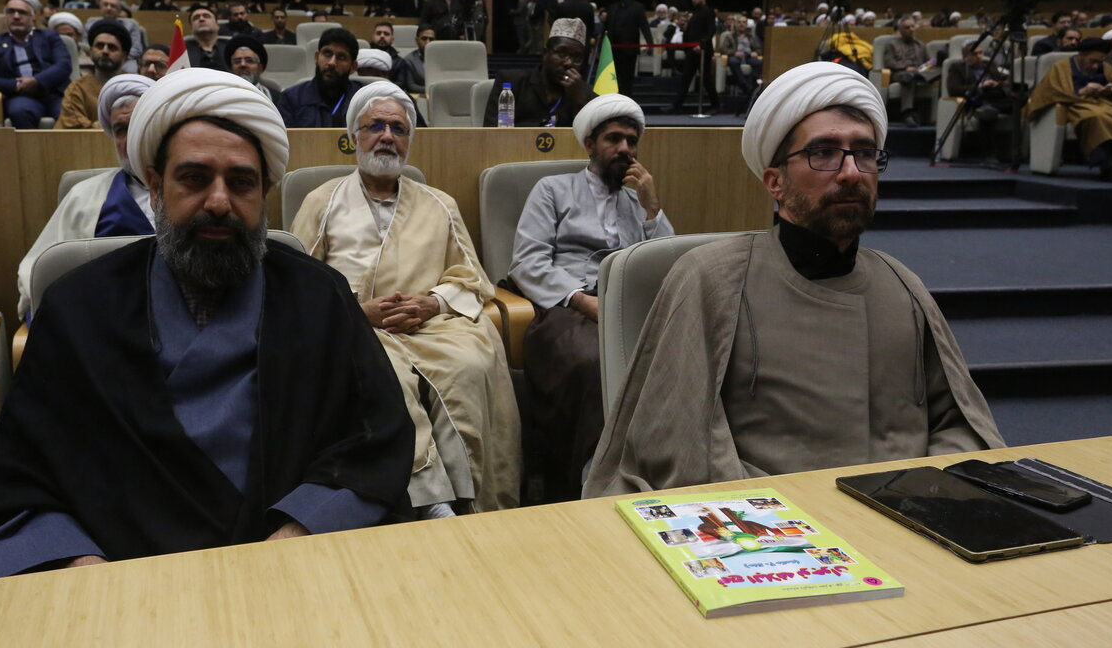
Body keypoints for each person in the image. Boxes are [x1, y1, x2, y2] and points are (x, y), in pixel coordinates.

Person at [0, 68, 415, 578]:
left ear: (264, 191)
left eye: (241, 182)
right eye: (195, 178)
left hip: (291, 568)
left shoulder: (320, 297)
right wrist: (88, 575)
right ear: (156, 185)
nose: (219, 201)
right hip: (124, 582)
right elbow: (16, 480)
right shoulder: (77, 307)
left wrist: (293, 541)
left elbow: (375, 442)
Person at [585, 62, 1004, 496]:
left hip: (906, 513)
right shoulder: (710, 278)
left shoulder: (903, 285)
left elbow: (961, 425)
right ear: (775, 182)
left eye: (864, 153)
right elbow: (682, 447)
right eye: (823, 153)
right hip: (770, 520)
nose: (851, 172)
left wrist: (923, 493)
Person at [292, 82, 521, 515]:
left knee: (470, 364)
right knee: (385, 376)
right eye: (375, 126)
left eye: (398, 129)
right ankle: (430, 500)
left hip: (431, 324)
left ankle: (473, 495)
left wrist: (432, 303)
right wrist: (356, 312)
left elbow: (471, 278)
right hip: (357, 326)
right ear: (354, 137)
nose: (387, 136)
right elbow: (298, 281)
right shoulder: (322, 201)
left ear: (409, 141)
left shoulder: (439, 203)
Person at [509, 94, 673, 500]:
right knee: (593, 360)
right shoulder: (552, 189)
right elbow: (527, 262)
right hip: (567, 303)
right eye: (614, 139)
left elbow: (666, 261)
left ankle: (656, 468)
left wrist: (652, 208)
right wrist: (582, 301)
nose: (625, 149)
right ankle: (587, 474)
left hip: (627, 303)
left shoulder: (638, 199)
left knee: (674, 355)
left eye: (631, 141)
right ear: (590, 144)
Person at [16, 74, 158, 320]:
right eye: (121, 130)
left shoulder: (195, 192)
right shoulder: (84, 196)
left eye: (138, 125)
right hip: (102, 321)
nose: (130, 139)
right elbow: (39, 273)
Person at [1027, 37, 1112, 182]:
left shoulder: (1106, 68)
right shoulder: (1062, 67)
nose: (1096, 66)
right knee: (1099, 117)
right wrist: (1083, 91)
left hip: (1107, 103)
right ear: (1082, 55)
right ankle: (1108, 166)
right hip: (1075, 104)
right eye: (1093, 61)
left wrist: (1111, 91)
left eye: (1099, 62)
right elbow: (1052, 92)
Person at [0, 0, 72, 128]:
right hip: (21, 96)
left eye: (22, 12)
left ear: (33, 17)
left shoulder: (49, 36)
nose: (16, 16)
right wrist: (18, 85)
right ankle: (32, 144)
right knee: (20, 112)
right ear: (5, 17)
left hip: (53, 92)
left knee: (69, 112)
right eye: (11, 12)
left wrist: (36, 81)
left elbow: (64, 65)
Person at [482, 19, 593, 127]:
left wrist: (579, 101)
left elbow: (594, 136)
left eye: (577, 58)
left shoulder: (585, 94)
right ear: (545, 53)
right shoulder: (511, 83)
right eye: (562, 54)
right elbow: (492, 129)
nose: (569, 62)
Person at [946, 42, 1020, 163]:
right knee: (987, 111)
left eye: (981, 53)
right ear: (966, 56)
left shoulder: (989, 65)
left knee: (1019, 100)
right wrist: (980, 85)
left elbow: (1002, 81)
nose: (979, 56)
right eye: (975, 54)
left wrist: (996, 84)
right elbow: (953, 89)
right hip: (977, 98)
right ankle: (989, 154)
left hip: (995, 96)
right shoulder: (958, 68)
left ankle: (1015, 151)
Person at [280, 27, 363, 128]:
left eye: (341, 57)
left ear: (353, 66)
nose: (332, 63)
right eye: (327, 54)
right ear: (316, 57)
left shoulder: (363, 99)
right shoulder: (291, 98)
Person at [59, 19, 131, 129]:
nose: (105, 51)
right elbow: (73, 125)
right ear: (91, 51)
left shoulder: (134, 87)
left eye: (112, 47)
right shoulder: (77, 88)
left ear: (124, 55)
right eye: (100, 46)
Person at [671, 0, 719, 113]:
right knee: (685, 79)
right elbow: (693, 31)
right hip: (692, 51)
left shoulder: (708, 11)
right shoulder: (694, 12)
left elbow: (711, 30)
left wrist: (702, 45)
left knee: (707, 80)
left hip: (703, 51)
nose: (694, 0)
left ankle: (716, 106)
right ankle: (676, 106)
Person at [882, 17, 935, 127]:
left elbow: (928, 62)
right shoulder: (891, 44)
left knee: (938, 71)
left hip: (919, 72)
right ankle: (907, 113)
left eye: (912, 26)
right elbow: (889, 62)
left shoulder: (921, 45)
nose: (911, 29)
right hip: (899, 73)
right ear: (900, 30)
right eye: (907, 27)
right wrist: (906, 67)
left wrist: (932, 63)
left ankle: (930, 115)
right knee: (908, 76)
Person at [605, 0, 653, 98]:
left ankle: (626, 103)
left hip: (630, 51)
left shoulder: (638, 7)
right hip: (613, 50)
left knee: (627, 80)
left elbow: (645, 27)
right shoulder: (613, 8)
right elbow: (606, 28)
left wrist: (650, 44)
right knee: (614, 79)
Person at [84, 0, 145, 67]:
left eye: (113, 6)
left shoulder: (131, 25)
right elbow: (85, 47)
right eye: (105, 5)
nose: (109, 8)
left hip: (126, 61)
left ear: (119, 11)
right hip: (95, 60)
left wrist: (117, 57)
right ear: (100, 7)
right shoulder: (90, 24)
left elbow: (136, 49)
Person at [224, 34, 282, 104]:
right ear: (231, 68)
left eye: (249, 60)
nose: (243, 64)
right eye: (237, 61)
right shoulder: (221, 96)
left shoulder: (277, 98)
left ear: (260, 68)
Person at [718, 17, 763, 97]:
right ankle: (745, 85)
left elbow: (759, 49)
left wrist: (755, 52)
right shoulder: (729, 36)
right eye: (739, 22)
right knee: (733, 61)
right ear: (736, 24)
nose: (741, 24)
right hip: (735, 56)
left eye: (744, 22)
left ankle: (751, 85)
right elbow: (723, 49)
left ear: (746, 24)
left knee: (759, 63)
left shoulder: (751, 36)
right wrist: (734, 53)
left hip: (748, 56)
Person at [394, 25, 435, 94]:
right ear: (417, 40)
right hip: (421, 96)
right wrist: (435, 89)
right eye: (424, 39)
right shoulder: (409, 60)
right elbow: (411, 86)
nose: (428, 43)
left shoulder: (442, 58)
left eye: (431, 39)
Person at [186, 5, 226, 71]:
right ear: (191, 28)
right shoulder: (184, 52)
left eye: (206, 16)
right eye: (196, 18)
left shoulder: (231, 48)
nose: (201, 19)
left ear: (217, 25)